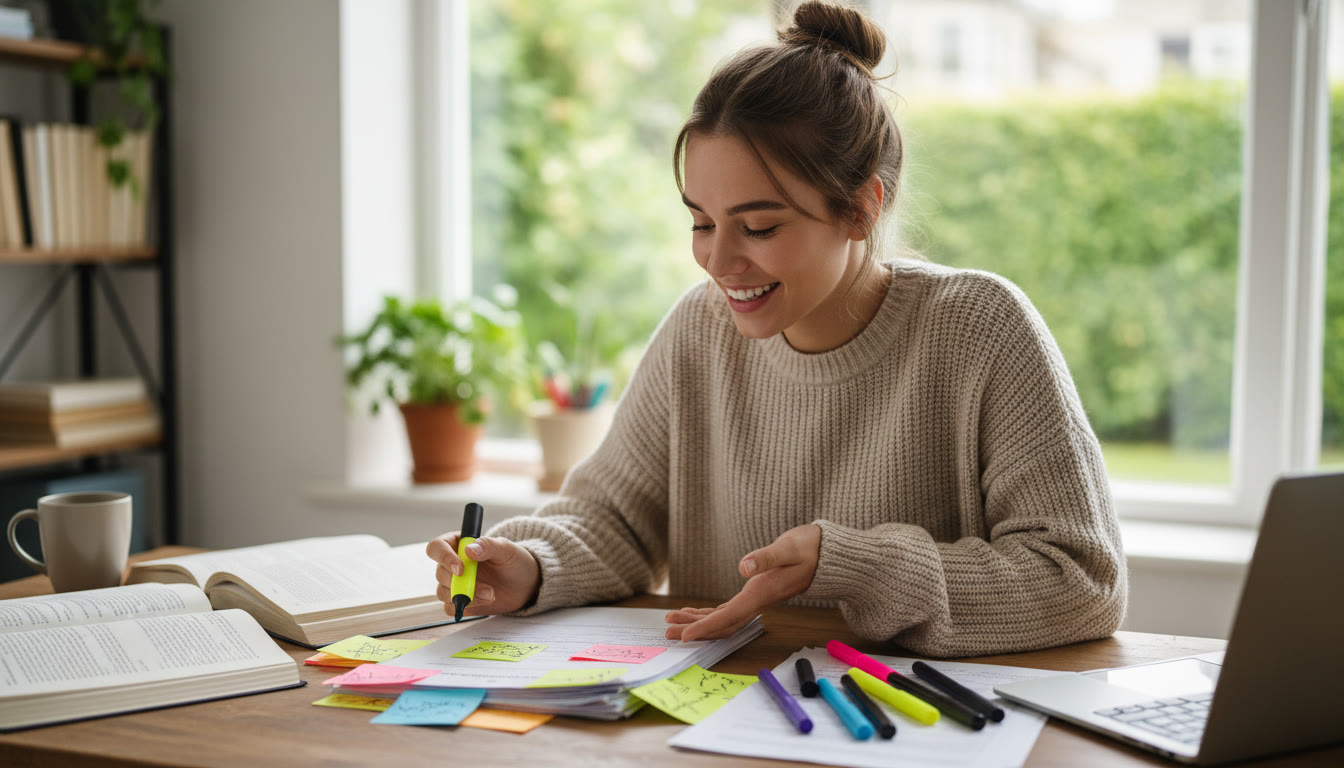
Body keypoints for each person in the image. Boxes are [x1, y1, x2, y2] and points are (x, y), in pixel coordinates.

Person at [426, 0, 1126, 658]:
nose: (718, 260)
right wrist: (532, 565)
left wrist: (857, 565)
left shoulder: (981, 329)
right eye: (701, 221)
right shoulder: (697, 333)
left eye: (758, 226)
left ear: (860, 209)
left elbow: (1081, 582)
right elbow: (614, 520)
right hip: (719, 712)